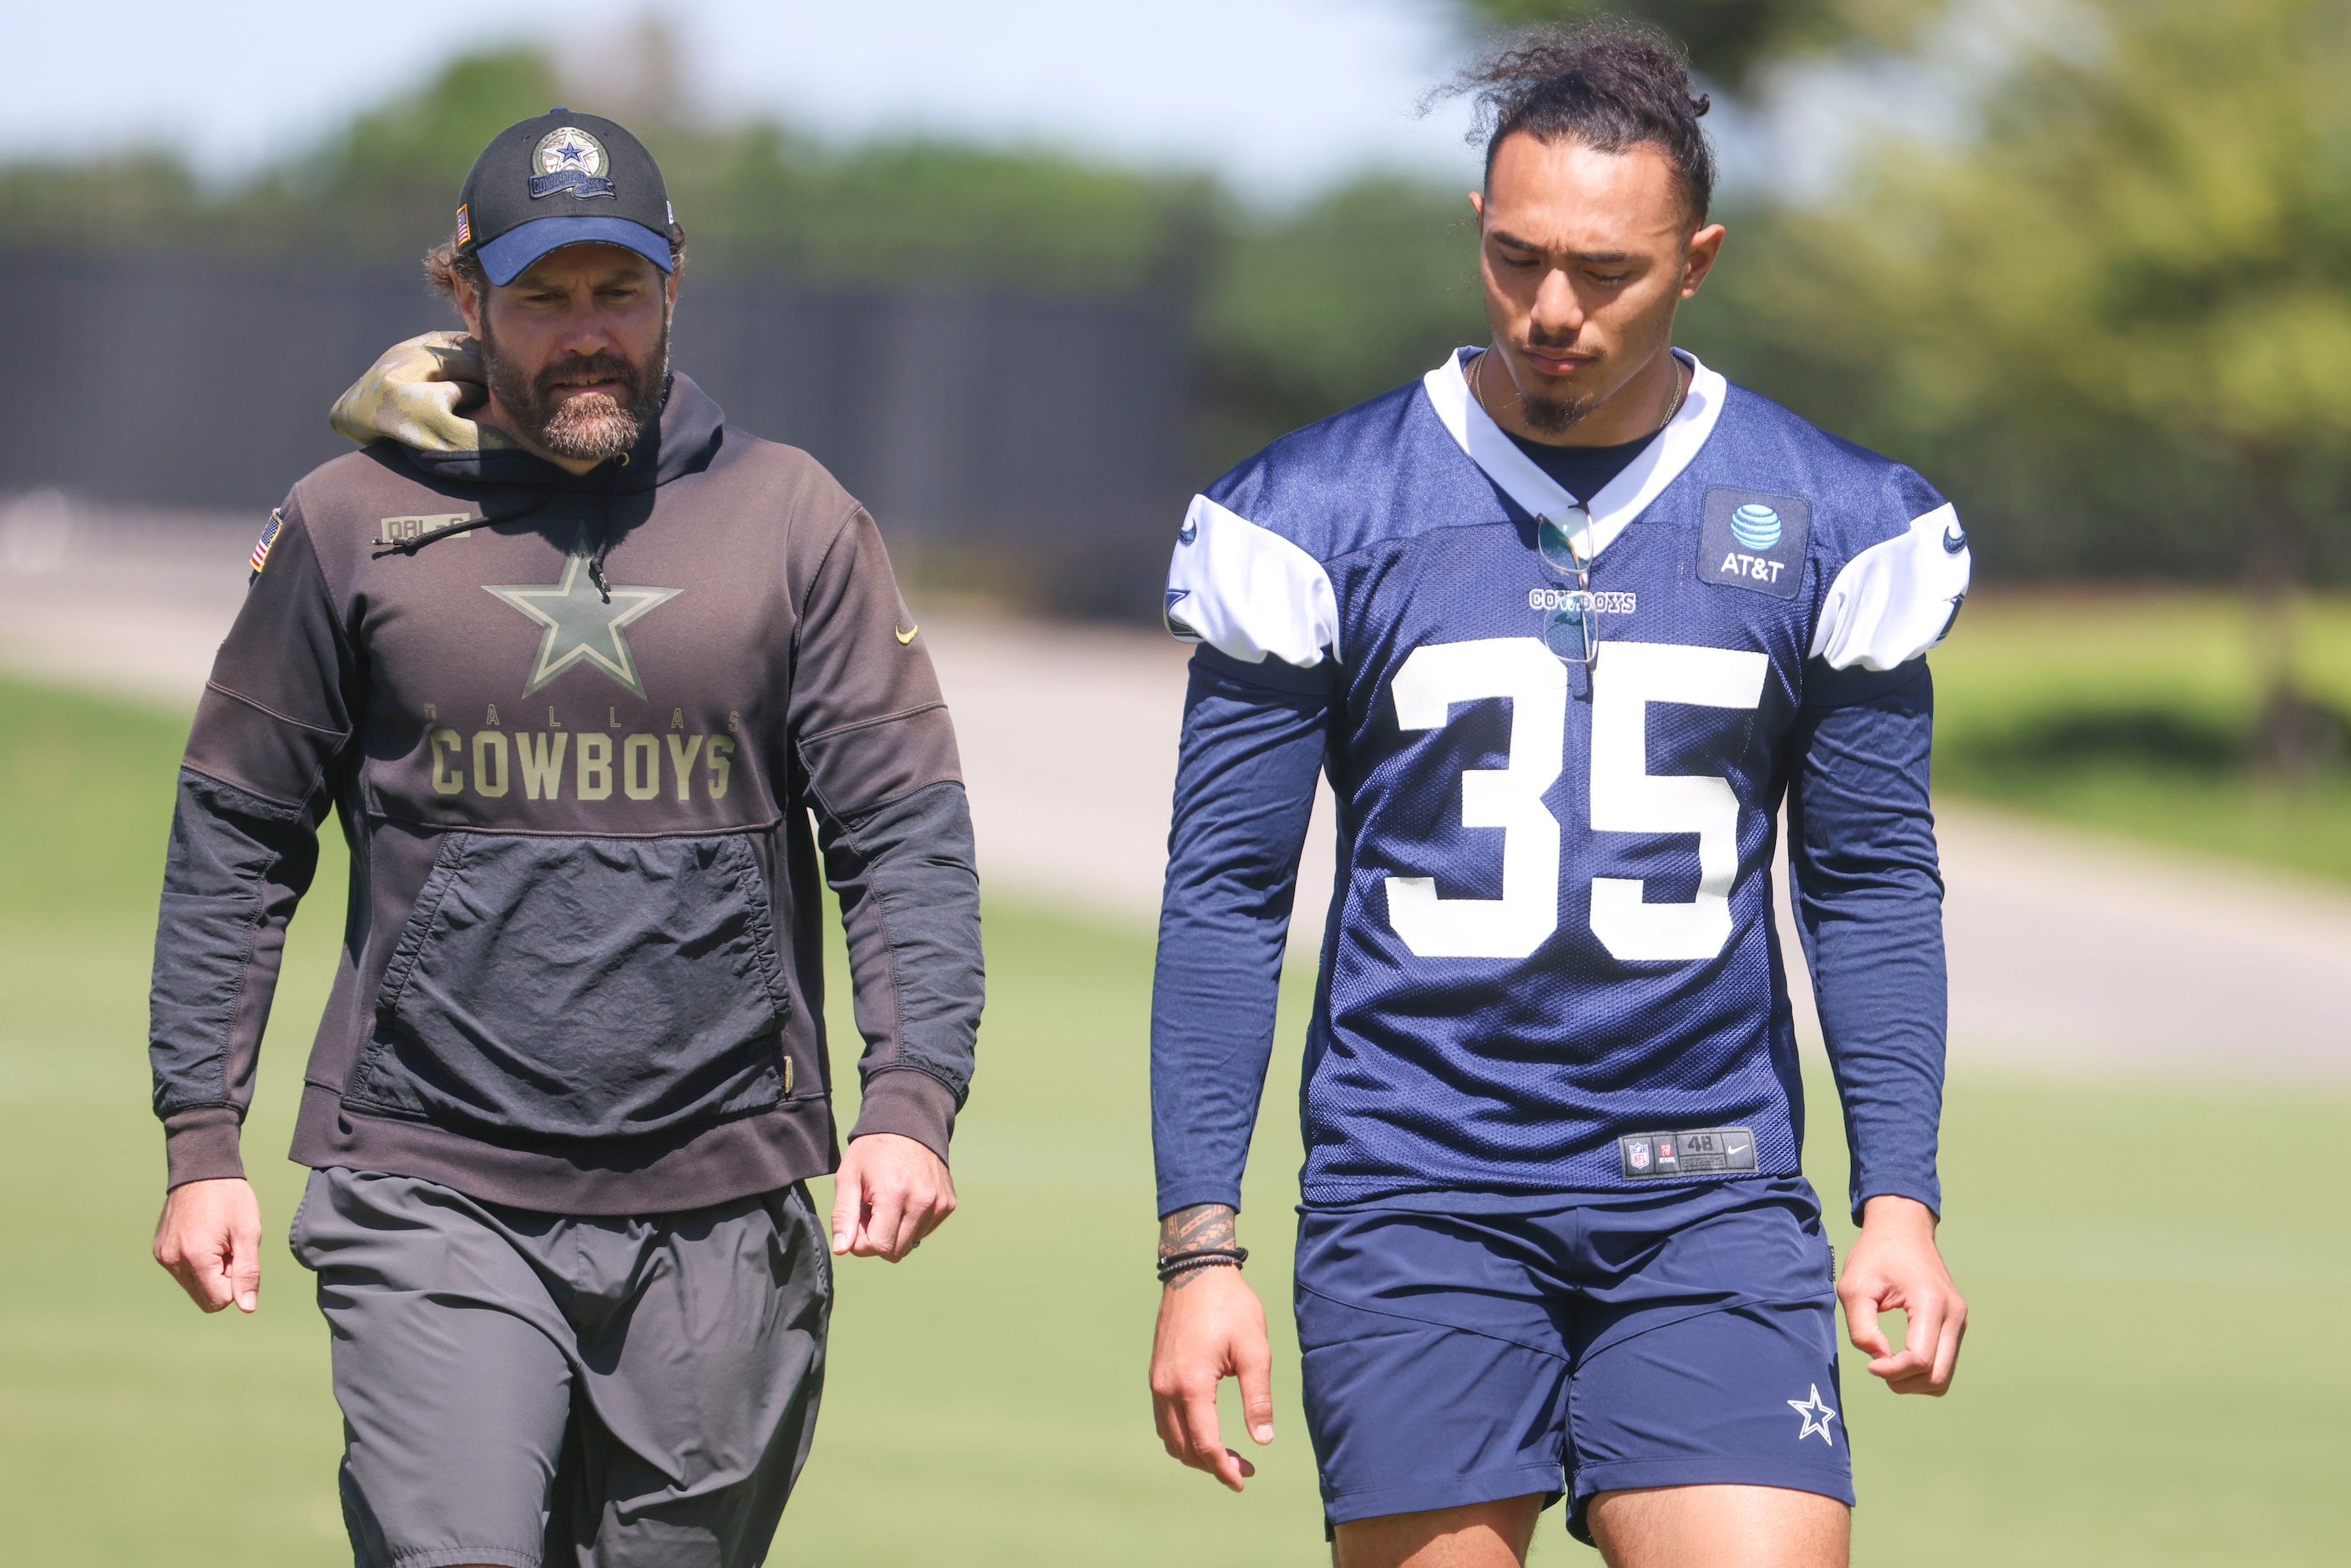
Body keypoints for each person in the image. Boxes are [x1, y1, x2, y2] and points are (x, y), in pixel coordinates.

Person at [1146, 24, 1969, 1568]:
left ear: (1699, 260)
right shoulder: (1320, 510)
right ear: (1478, 226)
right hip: (1418, 1190)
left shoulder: (1832, 519)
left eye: (1606, 271)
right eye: (1517, 258)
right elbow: (1227, 895)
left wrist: (1899, 1199)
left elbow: (1864, 882)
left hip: (1708, 1195)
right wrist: (1201, 1249)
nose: (1552, 311)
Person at [145, 107, 983, 1568]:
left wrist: (910, 1097)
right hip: (429, 1181)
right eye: (543, 295)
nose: (583, 331)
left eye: (618, 290)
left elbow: (901, 829)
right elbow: (238, 832)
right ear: (467, 297)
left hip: (726, 1199)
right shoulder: (349, 521)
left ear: (676, 286)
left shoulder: (796, 519)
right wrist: (199, 1132)